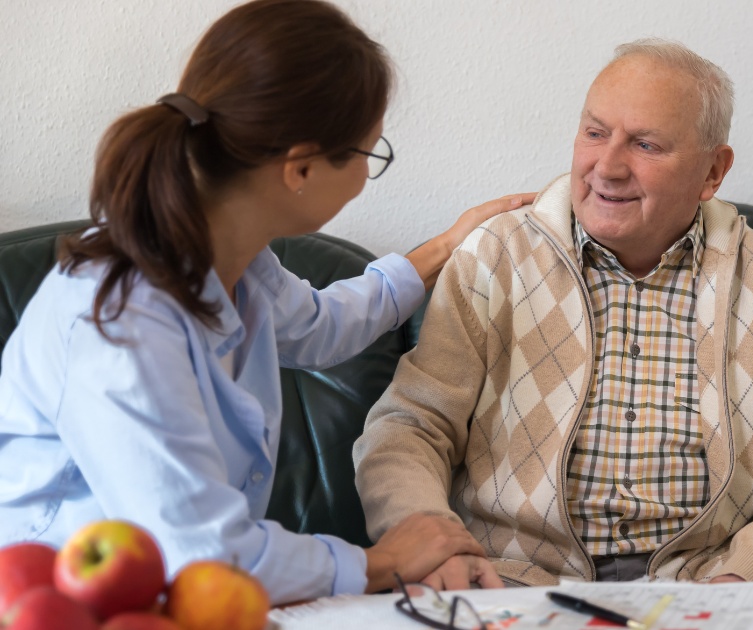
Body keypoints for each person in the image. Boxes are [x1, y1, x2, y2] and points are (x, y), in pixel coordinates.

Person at [0, 0, 521, 604]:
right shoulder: (119, 323)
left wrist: (449, 245)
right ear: (299, 169)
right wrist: (380, 562)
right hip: (61, 601)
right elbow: (199, 552)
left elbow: (322, 328)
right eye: (369, 154)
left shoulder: (233, 257)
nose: (364, 176)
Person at [354, 39, 753, 589]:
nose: (607, 167)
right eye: (595, 133)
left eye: (645, 144)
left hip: (713, 579)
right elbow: (409, 428)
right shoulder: (496, 257)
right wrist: (434, 545)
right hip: (515, 580)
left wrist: (744, 580)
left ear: (713, 171)